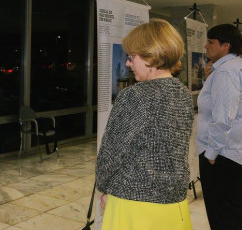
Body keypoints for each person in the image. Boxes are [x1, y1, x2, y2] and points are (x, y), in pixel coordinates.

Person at [96, 19, 194, 230]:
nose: (129, 63)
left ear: (151, 56)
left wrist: (104, 186)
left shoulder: (135, 96)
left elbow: (111, 153)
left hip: (133, 202)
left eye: (132, 57)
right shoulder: (183, 94)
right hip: (174, 203)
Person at [196, 24, 242, 230]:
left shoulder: (225, 72)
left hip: (222, 156)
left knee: (222, 215)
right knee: (232, 212)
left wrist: (211, 154)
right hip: (232, 153)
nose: (206, 46)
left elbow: (223, 118)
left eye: (211, 42)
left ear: (226, 45)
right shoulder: (234, 67)